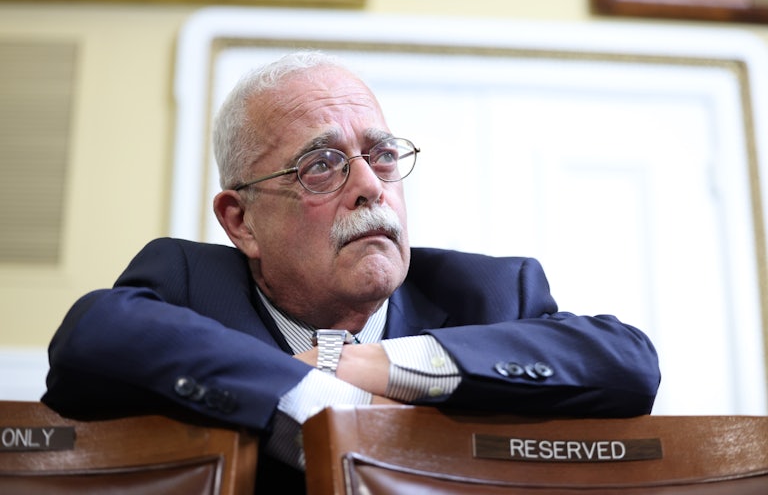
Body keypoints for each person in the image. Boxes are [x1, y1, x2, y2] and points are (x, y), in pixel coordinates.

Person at [42, 51, 661, 493]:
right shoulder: (188, 284)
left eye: (383, 156)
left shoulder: (492, 295)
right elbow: (91, 336)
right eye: (321, 164)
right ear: (242, 222)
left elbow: (629, 364)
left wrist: (376, 366)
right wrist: (306, 392)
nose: (370, 187)